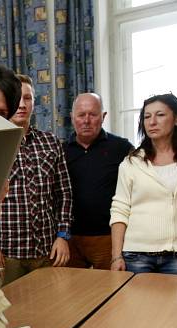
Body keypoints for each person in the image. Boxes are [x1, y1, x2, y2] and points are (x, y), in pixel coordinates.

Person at [0, 74, 73, 285]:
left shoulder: (50, 142)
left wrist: (63, 236)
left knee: (52, 313)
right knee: (10, 314)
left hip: (47, 252)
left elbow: (64, 194)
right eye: (17, 98)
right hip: (6, 254)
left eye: (28, 98)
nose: (22, 105)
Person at [110, 93, 177, 275]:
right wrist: (116, 256)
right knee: (135, 305)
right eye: (147, 116)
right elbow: (120, 210)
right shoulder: (131, 163)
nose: (152, 122)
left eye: (160, 115)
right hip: (135, 256)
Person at [64, 93, 132, 269]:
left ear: (103, 116)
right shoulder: (60, 150)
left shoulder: (122, 147)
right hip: (70, 239)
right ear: (72, 118)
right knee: (73, 293)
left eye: (93, 114)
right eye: (81, 115)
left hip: (108, 238)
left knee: (111, 291)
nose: (86, 120)